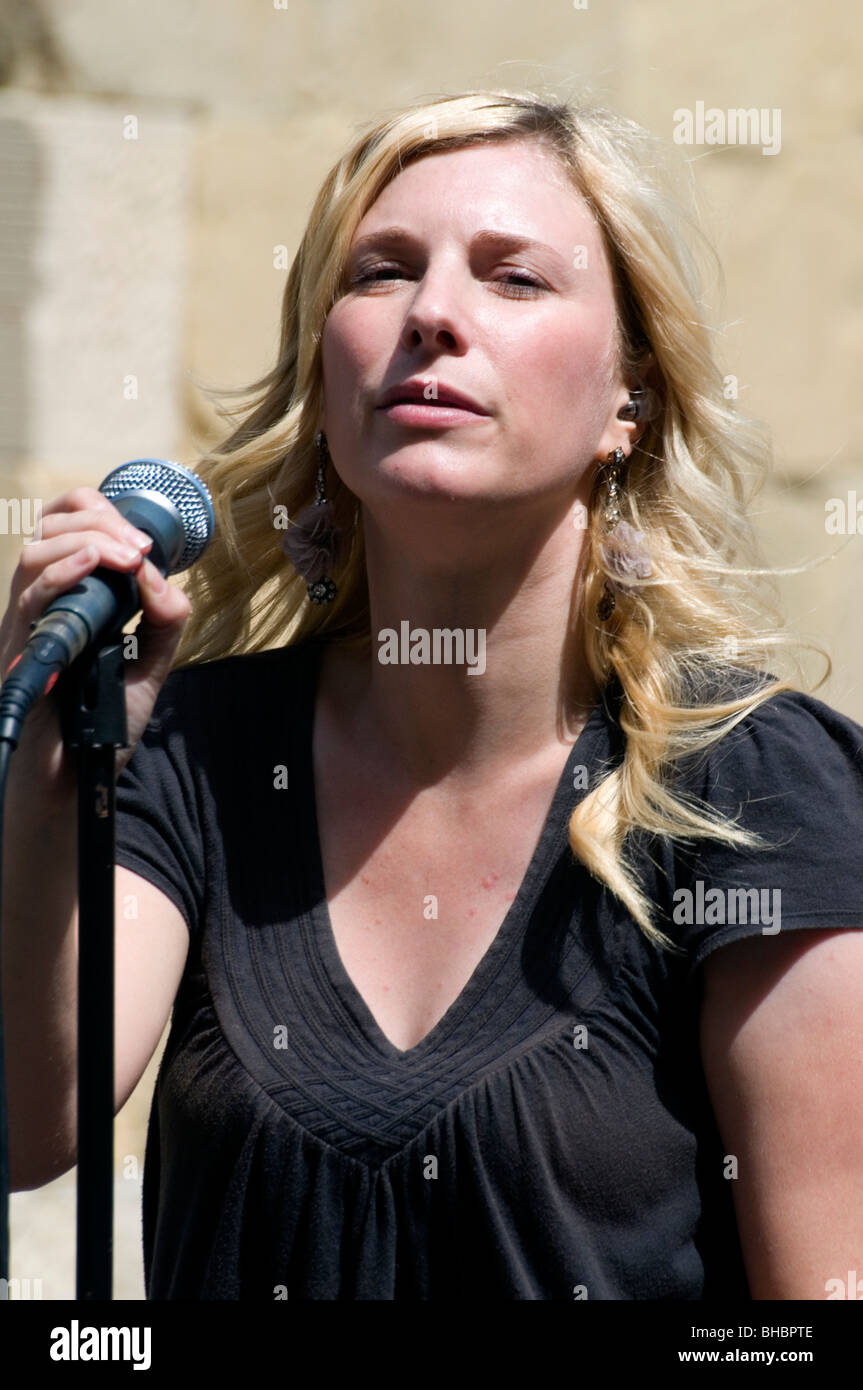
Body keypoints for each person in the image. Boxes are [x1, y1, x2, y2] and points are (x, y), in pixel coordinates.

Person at [3, 88, 863, 1301]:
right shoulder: (196, 749)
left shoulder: (750, 784)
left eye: (513, 279)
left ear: (628, 397)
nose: (433, 316)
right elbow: (33, 1128)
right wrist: (49, 779)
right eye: (380, 272)